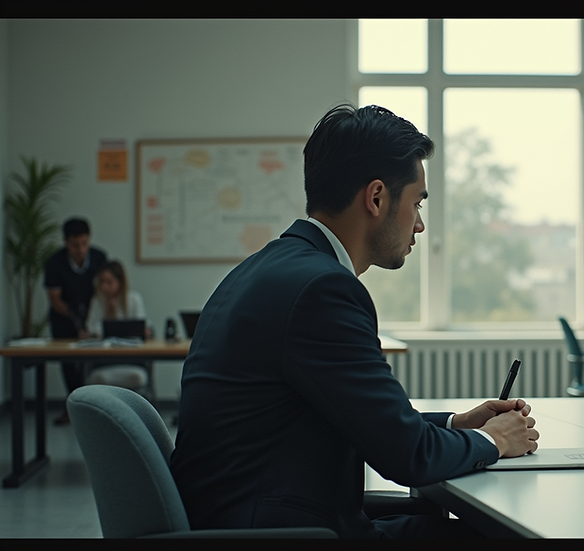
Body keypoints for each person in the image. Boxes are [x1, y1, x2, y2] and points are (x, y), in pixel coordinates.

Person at [169, 104, 539, 539]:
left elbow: (365, 419)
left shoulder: (269, 268)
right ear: (377, 197)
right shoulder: (322, 291)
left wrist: (457, 424)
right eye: (417, 203)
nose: (419, 225)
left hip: (247, 518)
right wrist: (496, 440)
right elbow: (407, 458)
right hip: (275, 530)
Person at [44, 217, 107, 425]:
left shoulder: (99, 258)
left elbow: (104, 291)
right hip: (65, 318)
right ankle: (71, 408)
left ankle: (96, 408)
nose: (80, 250)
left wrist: (89, 323)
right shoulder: (54, 262)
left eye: (84, 244)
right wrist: (76, 321)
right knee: (69, 365)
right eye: (74, 245)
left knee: (95, 362)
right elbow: (55, 298)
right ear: (65, 242)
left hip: (93, 316)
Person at [84, 260, 152, 389]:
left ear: (120, 282)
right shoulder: (98, 301)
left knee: (137, 377)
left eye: (109, 282)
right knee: (98, 378)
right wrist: (110, 314)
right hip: (104, 361)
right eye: (102, 282)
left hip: (131, 360)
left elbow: (141, 326)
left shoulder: (133, 299)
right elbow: (91, 329)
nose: (104, 287)